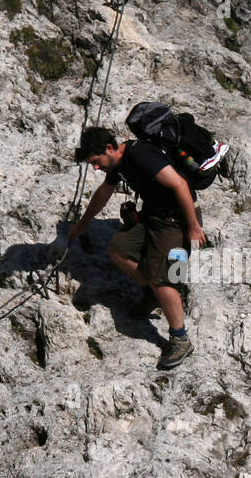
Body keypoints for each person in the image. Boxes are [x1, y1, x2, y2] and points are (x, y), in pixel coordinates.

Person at [68, 125, 206, 370]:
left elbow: (181, 185)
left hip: (176, 220)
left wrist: (193, 226)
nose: (96, 167)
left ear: (109, 148)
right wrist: (82, 224)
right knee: (118, 248)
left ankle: (180, 338)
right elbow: (103, 194)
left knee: (162, 278)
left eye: (96, 161)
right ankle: (153, 292)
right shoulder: (118, 165)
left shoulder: (142, 155)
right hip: (152, 217)